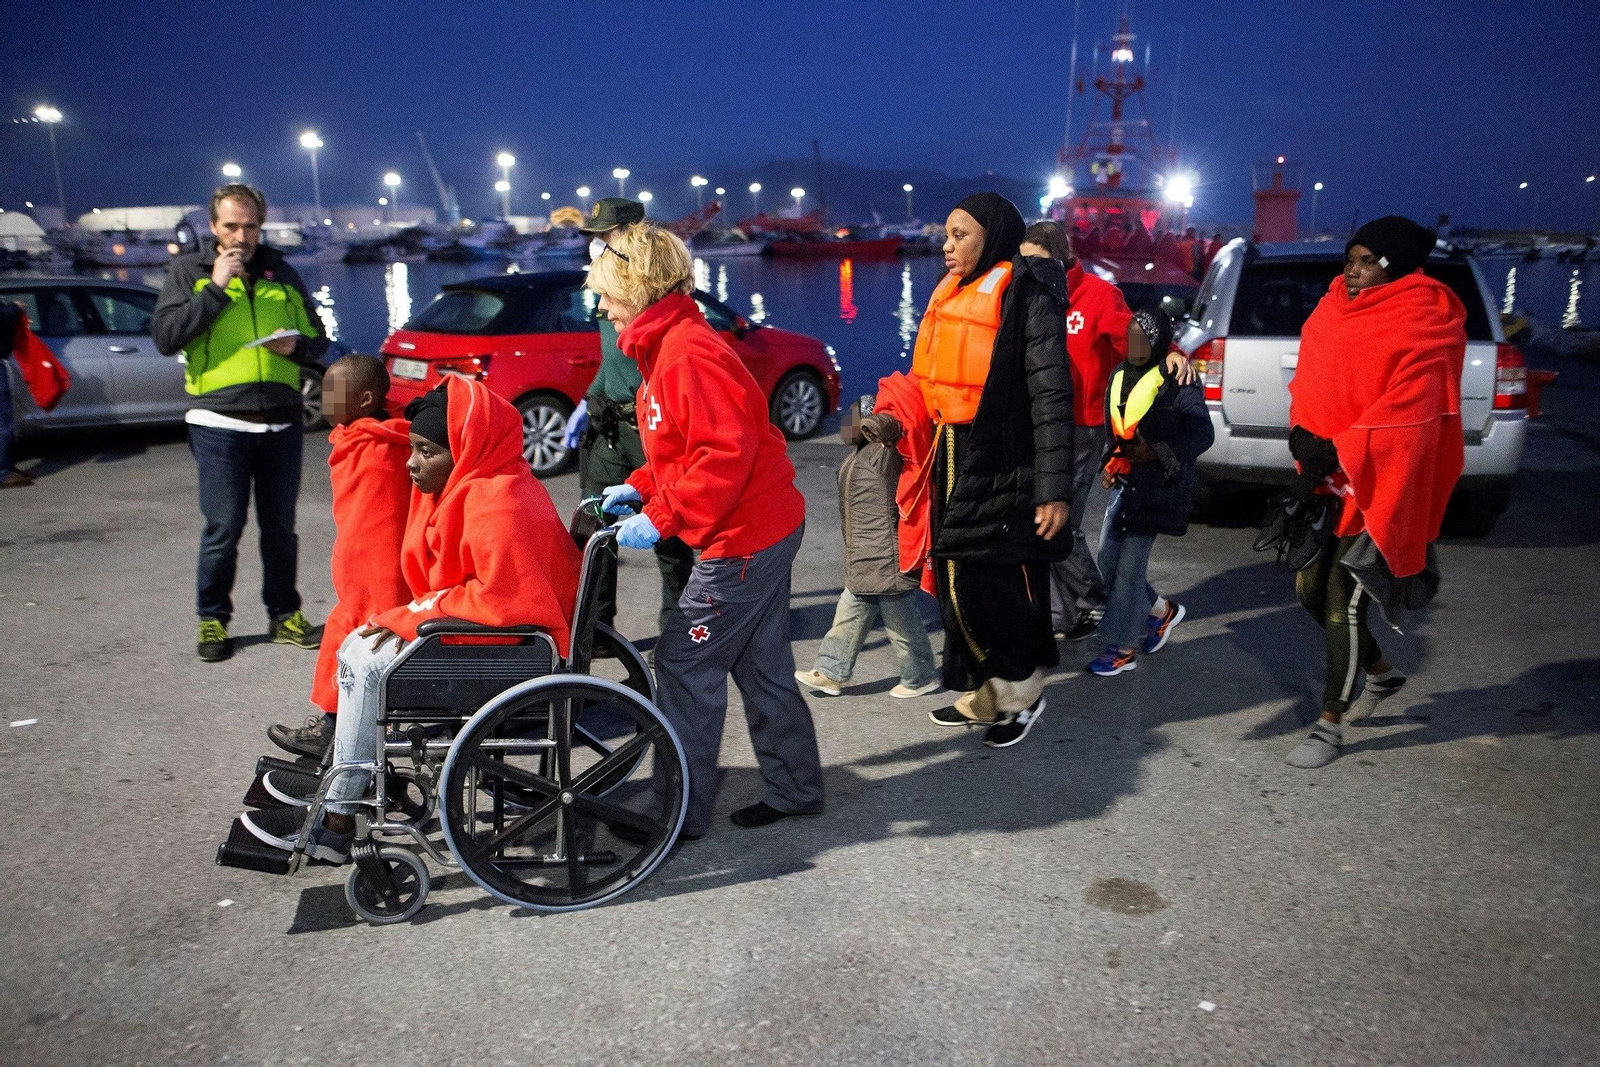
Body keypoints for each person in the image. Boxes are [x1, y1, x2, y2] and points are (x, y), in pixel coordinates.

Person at [241, 375, 582, 859]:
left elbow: (503, 604)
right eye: (414, 448)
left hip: (512, 652)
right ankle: (346, 784)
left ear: (464, 448)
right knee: (359, 645)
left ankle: (340, 812)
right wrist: (409, 615)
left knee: (368, 661)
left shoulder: (498, 503)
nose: (411, 462)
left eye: (426, 451)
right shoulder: (481, 486)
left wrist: (413, 615)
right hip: (493, 639)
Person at [588, 222, 824, 838]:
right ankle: (796, 789)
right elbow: (683, 447)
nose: (601, 304)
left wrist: (662, 517)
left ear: (638, 288)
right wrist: (641, 484)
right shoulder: (667, 346)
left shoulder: (688, 352)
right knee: (761, 665)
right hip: (761, 527)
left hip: (744, 538)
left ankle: (678, 812)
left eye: (607, 293)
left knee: (684, 663)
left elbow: (725, 455)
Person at [874, 193, 1074, 749]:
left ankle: (1020, 691)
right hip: (951, 449)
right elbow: (926, 378)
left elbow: (1052, 395)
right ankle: (991, 686)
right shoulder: (952, 292)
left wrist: (1052, 491)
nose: (947, 245)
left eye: (960, 235)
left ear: (992, 235)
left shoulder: (1025, 292)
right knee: (957, 579)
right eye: (946, 234)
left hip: (1002, 452)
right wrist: (885, 420)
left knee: (985, 579)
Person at [1282, 216, 1464, 768]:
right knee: (1308, 592)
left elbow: (1411, 414)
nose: (1354, 272)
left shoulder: (1426, 320)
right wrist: (1303, 434)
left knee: (1343, 601)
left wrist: (1342, 447)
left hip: (1382, 484)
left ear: (1396, 265)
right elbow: (1313, 380)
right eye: (1351, 259)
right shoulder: (1330, 309)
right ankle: (1382, 675)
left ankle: (1329, 725)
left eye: (1368, 262)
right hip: (1329, 484)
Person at [152, 184, 328, 662]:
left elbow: (319, 336)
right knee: (223, 526)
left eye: (250, 226)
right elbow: (166, 337)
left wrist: (298, 348)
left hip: (282, 420)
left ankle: (284, 616)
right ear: (213, 227)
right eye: (231, 225)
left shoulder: (281, 271)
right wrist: (214, 288)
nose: (241, 236)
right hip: (218, 420)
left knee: (281, 529)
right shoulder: (188, 271)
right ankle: (212, 620)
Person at [266, 355, 412, 761]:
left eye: (333, 393)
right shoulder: (370, 436)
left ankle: (333, 730)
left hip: (376, 571)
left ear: (365, 400)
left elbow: (379, 529)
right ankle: (331, 725)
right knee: (344, 629)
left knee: (353, 634)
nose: (322, 400)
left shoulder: (380, 450)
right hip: (364, 566)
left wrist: (374, 596)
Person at [566, 198, 694, 635]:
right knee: (593, 526)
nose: (598, 244)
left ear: (633, 235)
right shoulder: (610, 293)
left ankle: (678, 629)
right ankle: (596, 629)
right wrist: (588, 400)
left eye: (606, 235)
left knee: (668, 532)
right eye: (595, 237)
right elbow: (613, 357)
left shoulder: (652, 308)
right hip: (611, 423)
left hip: (649, 428)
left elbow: (725, 451)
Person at [1087, 307, 1214, 677]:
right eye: (1131, 336)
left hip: (1158, 488)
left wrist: (1156, 452)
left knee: (1128, 571)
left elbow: (1201, 434)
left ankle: (1123, 648)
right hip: (1127, 486)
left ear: (1159, 341)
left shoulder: (1178, 380)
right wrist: (1110, 466)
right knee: (1108, 564)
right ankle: (1162, 612)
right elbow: (1117, 431)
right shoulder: (1119, 374)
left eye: (1144, 338)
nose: (1135, 344)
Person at [793, 401, 940, 700]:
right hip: (866, 553)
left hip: (884, 553)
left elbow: (893, 426)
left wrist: (871, 419)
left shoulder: (885, 451)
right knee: (852, 611)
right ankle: (830, 672)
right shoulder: (862, 452)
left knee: (901, 621)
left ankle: (921, 676)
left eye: (854, 416)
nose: (847, 424)